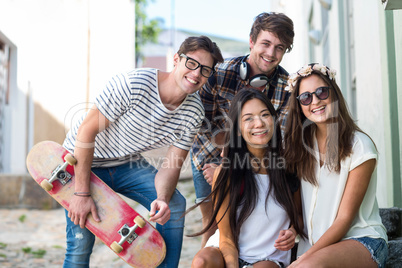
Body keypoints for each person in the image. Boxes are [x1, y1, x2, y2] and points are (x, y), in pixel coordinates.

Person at [61, 36, 223, 268]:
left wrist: (162, 199)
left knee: (174, 205)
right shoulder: (134, 84)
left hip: (124, 162)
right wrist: (81, 194)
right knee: (81, 244)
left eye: (205, 70)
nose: (196, 74)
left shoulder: (194, 111)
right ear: (176, 59)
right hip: (81, 160)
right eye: (192, 63)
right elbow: (86, 133)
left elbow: (171, 166)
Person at [190, 12, 295, 247]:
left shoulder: (287, 88)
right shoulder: (219, 72)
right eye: (266, 44)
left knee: (242, 221)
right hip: (208, 155)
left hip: (255, 161)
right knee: (212, 223)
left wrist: (232, 165)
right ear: (251, 41)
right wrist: (221, 165)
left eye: (279, 48)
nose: (271, 53)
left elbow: (278, 139)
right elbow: (202, 123)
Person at [283, 63, 389, 267]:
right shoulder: (300, 148)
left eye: (321, 92)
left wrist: (304, 258)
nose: (315, 101)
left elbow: (344, 219)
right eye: (305, 97)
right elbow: (299, 211)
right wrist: (293, 230)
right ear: (299, 105)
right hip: (315, 249)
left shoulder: (359, 146)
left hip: (361, 240)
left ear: (334, 94)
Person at [190, 88, 305, 268]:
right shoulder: (227, 172)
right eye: (248, 118)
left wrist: (293, 230)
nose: (258, 123)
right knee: (201, 262)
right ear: (237, 129)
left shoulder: (289, 167)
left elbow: (299, 214)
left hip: (268, 256)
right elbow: (227, 238)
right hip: (228, 249)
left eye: (265, 115)